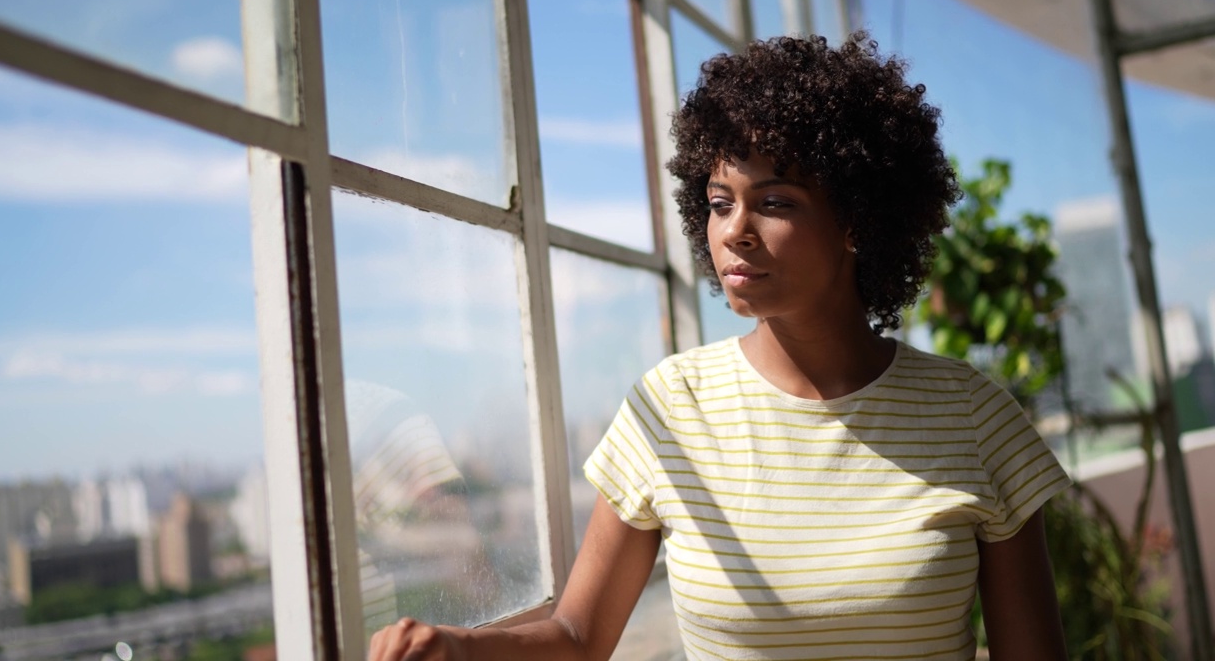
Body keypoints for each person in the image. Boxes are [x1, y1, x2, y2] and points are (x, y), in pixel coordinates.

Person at [370, 33, 1071, 661]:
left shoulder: (974, 418)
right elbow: (579, 639)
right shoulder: (670, 409)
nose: (734, 230)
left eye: (773, 202)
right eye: (718, 201)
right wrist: (460, 648)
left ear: (857, 218)